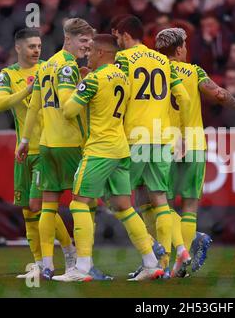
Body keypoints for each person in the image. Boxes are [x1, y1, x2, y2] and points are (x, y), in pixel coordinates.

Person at [52, 34, 163, 282]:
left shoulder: (93, 79)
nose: (88, 54)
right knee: (124, 207)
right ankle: (151, 263)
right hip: (121, 149)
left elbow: (69, 111)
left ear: (101, 53)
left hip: (99, 149)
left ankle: (81, 268)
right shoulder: (123, 77)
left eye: (91, 50)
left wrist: (68, 85)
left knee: (79, 204)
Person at [154, 27, 235, 277]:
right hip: (193, 142)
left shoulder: (154, 70)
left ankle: (161, 263)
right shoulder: (193, 71)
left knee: (160, 205)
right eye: (184, 45)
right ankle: (180, 264)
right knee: (188, 205)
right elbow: (218, 94)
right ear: (178, 49)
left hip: (161, 142)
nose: (186, 48)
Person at [16, 18, 95, 280]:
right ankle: (82, 262)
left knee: (48, 206)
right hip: (70, 143)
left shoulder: (45, 65)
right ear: (68, 39)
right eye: (83, 41)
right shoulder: (68, 66)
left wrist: (25, 141)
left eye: (91, 41)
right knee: (84, 203)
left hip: (46, 145)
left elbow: (33, 107)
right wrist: (88, 87)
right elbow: (67, 105)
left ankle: (48, 265)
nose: (88, 46)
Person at [0, 28, 76, 279]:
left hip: (46, 148)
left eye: (39, 46)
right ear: (18, 48)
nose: (37, 50)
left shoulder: (47, 68)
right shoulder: (8, 74)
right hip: (24, 150)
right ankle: (40, 264)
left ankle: (69, 250)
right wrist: (27, 92)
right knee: (28, 212)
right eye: (31, 46)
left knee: (38, 204)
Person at [113, 15, 192, 274]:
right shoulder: (163, 61)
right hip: (161, 138)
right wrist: (179, 130)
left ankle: (151, 249)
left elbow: (118, 93)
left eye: (117, 38)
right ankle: (167, 260)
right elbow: (184, 97)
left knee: (119, 199)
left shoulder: (123, 59)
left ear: (125, 35)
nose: (117, 43)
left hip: (134, 137)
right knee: (160, 199)